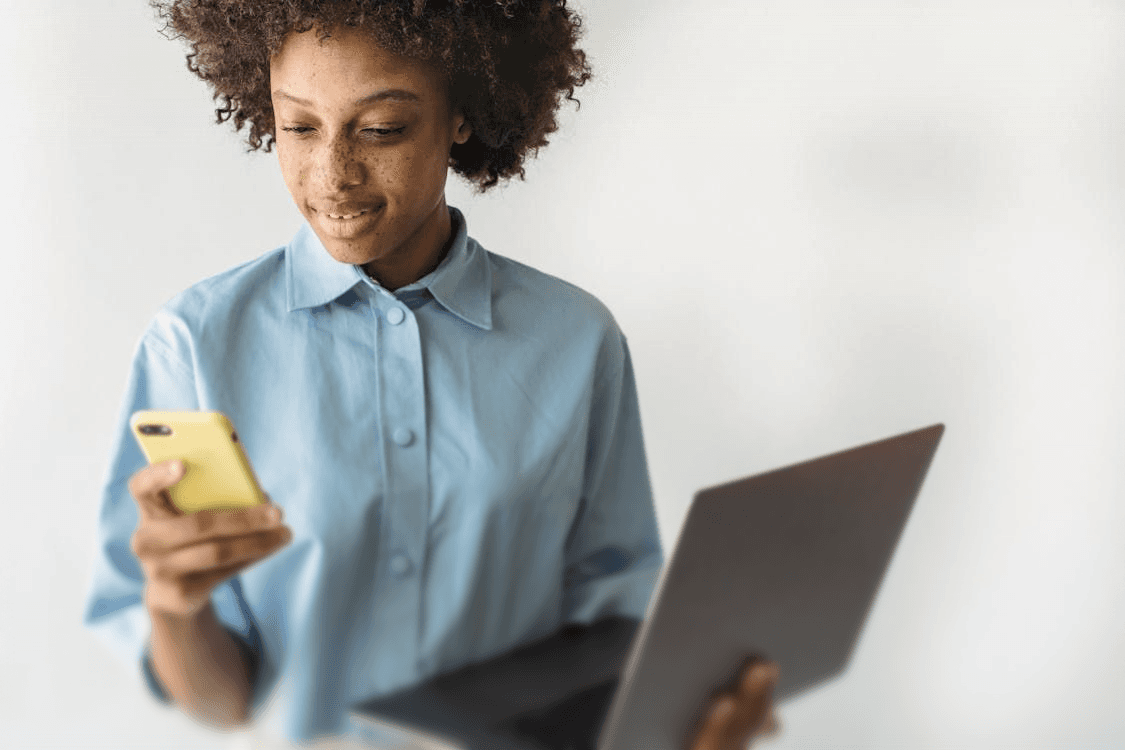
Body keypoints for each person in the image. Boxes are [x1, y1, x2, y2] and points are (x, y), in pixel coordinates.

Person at [84, 1, 780, 748]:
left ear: (461, 115)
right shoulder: (195, 344)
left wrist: (685, 717)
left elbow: (611, 628)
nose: (333, 175)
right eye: (300, 126)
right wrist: (175, 607)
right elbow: (222, 707)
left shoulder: (578, 341)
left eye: (381, 128)